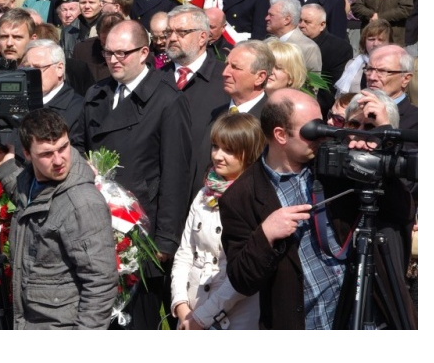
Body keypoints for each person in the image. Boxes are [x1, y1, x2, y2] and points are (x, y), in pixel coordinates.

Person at [219, 88, 415, 329]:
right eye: (312, 130)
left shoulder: (336, 161)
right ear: (280, 135)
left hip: (367, 314)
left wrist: (382, 136)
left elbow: (401, 211)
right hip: (307, 322)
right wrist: (266, 235)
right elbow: (241, 279)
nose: (323, 135)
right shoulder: (241, 196)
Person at [79, 19, 194, 329]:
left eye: (122, 53)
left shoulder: (167, 99)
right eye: (108, 53)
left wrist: (166, 241)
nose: (114, 60)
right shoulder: (98, 92)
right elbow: (80, 145)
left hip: (141, 230)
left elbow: (176, 174)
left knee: (134, 322)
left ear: (144, 52)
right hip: (97, 224)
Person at [0, 108, 117, 329]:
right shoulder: (31, 179)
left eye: (63, 148)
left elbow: (101, 282)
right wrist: (7, 170)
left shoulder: (82, 202)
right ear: (27, 154)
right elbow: (36, 201)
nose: (58, 160)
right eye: (46, 154)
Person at [170, 113, 264, 330]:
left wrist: (202, 317)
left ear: (249, 152)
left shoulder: (255, 200)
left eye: (229, 150)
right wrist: (181, 305)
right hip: (192, 311)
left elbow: (244, 275)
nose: (218, 156)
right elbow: (185, 252)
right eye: (215, 147)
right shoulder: (204, 193)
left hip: (234, 317)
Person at [162, 5, 230, 135]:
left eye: (182, 32)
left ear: (202, 37)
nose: (172, 38)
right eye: (169, 32)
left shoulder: (226, 78)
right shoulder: (155, 77)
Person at [334, 20, 392, 96]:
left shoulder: (394, 65)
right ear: (364, 41)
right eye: (371, 39)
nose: (375, 44)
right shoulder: (352, 63)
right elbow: (340, 96)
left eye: (380, 40)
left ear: (389, 43)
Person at [265, 0, 321, 73]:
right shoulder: (266, 43)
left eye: (271, 15)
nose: (266, 18)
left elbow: (313, 82)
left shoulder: (308, 48)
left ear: (287, 20)